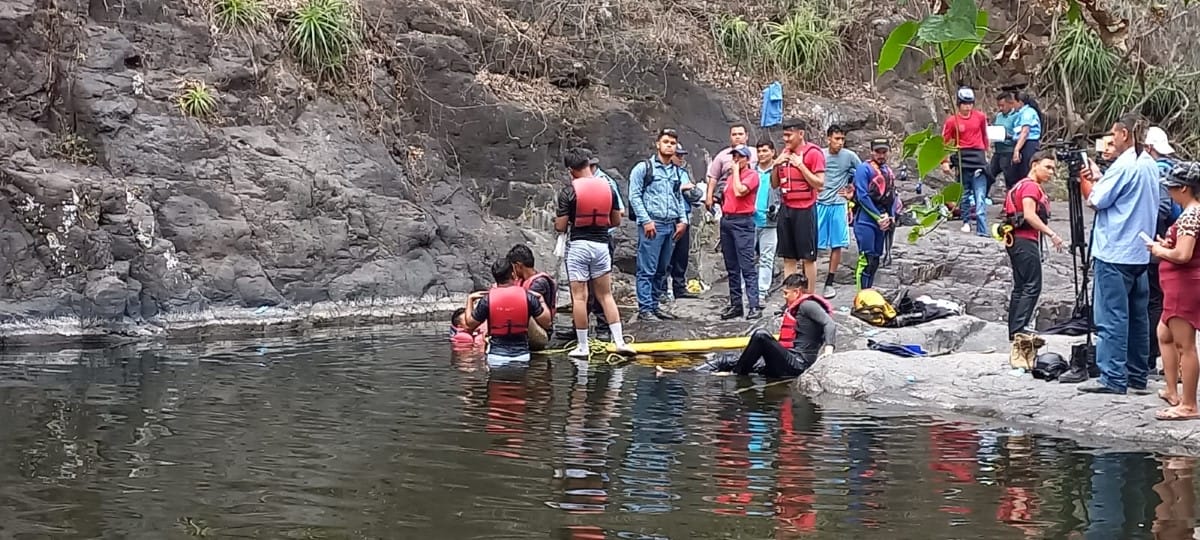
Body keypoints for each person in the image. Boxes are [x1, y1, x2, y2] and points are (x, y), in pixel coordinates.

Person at [1078, 115, 1160, 395]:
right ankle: (1138, 374)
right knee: (1138, 317)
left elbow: (1097, 200)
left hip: (1115, 251)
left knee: (1112, 316)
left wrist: (1089, 183)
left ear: (1125, 134)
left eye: (1114, 135)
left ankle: (1113, 376)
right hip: (1140, 252)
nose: (1111, 140)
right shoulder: (1148, 163)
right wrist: (1103, 178)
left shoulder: (1124, 165)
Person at [556, 148, 634, 356]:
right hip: (601, 246)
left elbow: (561, 226)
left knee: (580, 297)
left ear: (571, 170)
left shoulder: (569, 191)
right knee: (606, 295)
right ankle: (619, 342)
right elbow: (616, 221)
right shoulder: (608, 187)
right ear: (589, 164)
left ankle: (583, 346)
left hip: (579, 247)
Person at [700, 273, 835, 378]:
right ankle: (688, 373)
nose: (784, 297)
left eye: (786, 293)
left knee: (761, 335)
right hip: (786, 359)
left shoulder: (808, 305)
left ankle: (736, 375)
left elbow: (829, 323)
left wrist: (828, 351)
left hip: (798, 364)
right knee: (726, 359)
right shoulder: (797, 306)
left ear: (797, 292)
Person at [1148, 162, 1200, 420]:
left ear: (1184, 188)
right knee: (1164, 334)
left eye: (1171, 188)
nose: (1169, 192)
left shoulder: (1191, 214)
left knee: (1185, 344)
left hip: (1185, 285)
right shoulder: (1188, 213)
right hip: (1177, 285)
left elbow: (1183, 254)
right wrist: (1167, 244)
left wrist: (1160, 251)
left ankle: (1189, 404)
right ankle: (1172, 390)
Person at [1002, 153, 1065, 340]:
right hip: (1024, 239)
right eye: (1047, 167)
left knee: (1021, 286)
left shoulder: (1019, 185)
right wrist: (1051, 234)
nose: (1051, 172)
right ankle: (1020, 328)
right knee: (1032, 285)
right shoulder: (1030, 186)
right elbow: (1029, 214)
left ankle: (1015, 329)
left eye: (1053, 169)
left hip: (1016, 240)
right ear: (1034, 164)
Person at [629, 129, 689, 322]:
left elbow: (678, 196)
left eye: (672, 143)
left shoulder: (676, 172)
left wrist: (683, 220)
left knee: (662, 269)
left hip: (670, 225)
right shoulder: (644, 168)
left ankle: (655, 305)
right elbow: (634, 196)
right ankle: (645, 308)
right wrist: (646, 220)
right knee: (647, 268)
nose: (669, 145)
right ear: (658, 144)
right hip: (652, 224)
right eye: (666, 142)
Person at [771, 119, 826, 293]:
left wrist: (800, 165)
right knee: (789, 257)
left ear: (800, 134)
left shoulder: (813, 153)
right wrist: (776, 164)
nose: (786, 139)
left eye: (789, 135)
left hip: (805, 209)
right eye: (784, 135)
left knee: (807, 257)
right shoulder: (784, 153)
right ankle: (790, 296)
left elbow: (819, 183)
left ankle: (809, 296)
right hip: (786, 208)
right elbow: (774, 184)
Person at [464, 259, 553, 365]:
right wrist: (541, 299)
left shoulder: (487, 300)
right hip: (522, 357)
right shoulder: (528, 297)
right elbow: (547, 323)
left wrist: (470, 299)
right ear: (513, 274)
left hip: (496, 357)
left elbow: (469, 324)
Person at [1145, 126, 1184, 369]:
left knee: (1154, 302)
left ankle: (1149, 356)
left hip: (1159, 246)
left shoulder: (1157, 173)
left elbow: (1162, 209)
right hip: (1170, 241)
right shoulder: (1173, 168)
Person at [718, 145, 762, 320]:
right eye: (734, 156)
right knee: (731, 266)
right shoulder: (729, 177)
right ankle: (736, 304)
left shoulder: (752, 176)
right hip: (727, 220)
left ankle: (754, 305)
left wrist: (735, 172)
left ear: (747, 159)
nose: (736, 159)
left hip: (742, 222)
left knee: (747, 265)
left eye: (740, 156)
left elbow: (739, 191)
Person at [940, 86, 990, 237]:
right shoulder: (952, 121)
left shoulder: (980, 117)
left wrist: (985, 151)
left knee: (980, 194)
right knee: (964, 192)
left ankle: (982, 228)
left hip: (978, 157)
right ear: (959, 104)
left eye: (970, 103)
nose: (968, 107)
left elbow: (984, 135)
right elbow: (945, 141)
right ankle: (966, 221)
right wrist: (944, 161)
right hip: (962, 157)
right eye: (964, 103)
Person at [851, 139, 900, 291]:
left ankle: (868, 292)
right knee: (866, 259)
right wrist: (878, 217)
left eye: (884, 152)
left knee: (875, 260)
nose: (881, 155)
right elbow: (862, 196)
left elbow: (892, 196)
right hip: (866, 221)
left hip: (883, 222)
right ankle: (860, 296)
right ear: (871, 152)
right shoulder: (863, 169)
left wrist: (890, 217)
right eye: (878, 152)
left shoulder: (888, 172)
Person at [585, 156, 625, 340]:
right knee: (581, 286)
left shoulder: (606, 183)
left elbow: (620, 212)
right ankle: (580, 326)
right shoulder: (582, 184)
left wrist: (599, 224)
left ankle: (603, 327)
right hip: (583, 239)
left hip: (602, 236)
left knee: (600, 287)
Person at [818, 125, 861, 298]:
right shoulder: (820, 155)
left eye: (842, 139)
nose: (840, 142)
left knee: (837, 244)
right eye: (836, 139)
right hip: (819, 203)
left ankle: (829, 281)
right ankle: (807, 280)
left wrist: (852, 191)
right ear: (828, 138)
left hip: (838, 203)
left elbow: (864, 172)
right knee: (813, 243)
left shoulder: (849, 156)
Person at [668, 144, 702, 300]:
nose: (681, 158)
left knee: (681, 255)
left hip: (684, 217)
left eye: (682, 155)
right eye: (678, 155)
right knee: (666, 256)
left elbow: (693, 195)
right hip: (668, 218)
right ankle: (662, 290)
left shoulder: (682, 173)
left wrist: (693, 191)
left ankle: (679, 287)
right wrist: (681, 188)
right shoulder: (661, 173)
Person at [507, 244, 555, 351]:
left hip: (541, 332)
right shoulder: (522, 281)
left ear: (518, 266)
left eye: (512, 267)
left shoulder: (539, 283)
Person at [705, 123, 757, 212]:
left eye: (740, 134)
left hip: (750, 192)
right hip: (728, 198)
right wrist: (709, 196)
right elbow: (713, 177)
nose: (737, 137)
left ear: (746, 136)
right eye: (734, 134)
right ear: (730, 137)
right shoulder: (722, 155)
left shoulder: (755, 153)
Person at [754, 140, 780, 305]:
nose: (762, 154)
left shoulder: (778, 172)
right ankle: (747, 290)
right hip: (749, 220)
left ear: (772, 152)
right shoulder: (750, 171)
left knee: (766, 257)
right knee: (747, 257)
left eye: (765, 151)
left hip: (770, 222)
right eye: (759, 151)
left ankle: (762, 291)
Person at [988, 91, 1020, 193]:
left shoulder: (1016, 116)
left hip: (1009, 150)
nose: (1001, 108)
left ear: (1010, 103)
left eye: (1003, 105)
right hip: (998, 150)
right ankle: (983, 198)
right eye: (999, 106)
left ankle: (1010, 204)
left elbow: (1019, 134)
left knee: (1009, 179)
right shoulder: (999, 116)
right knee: (989, 174)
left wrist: (1007, 136)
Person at [1008, 90, 1043, 185]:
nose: (1013, 105)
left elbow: (1025, 132)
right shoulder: (1021, 113)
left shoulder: (1028, 113)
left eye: (1013, 103)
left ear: (1020, 102)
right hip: (1021, 143)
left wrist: (1017, 150)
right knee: (1016, 174)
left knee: (1026, 173)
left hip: (1028, 145)